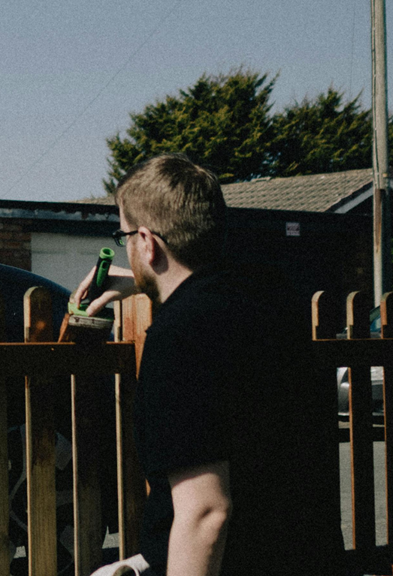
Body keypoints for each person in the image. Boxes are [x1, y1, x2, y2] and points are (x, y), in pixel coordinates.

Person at [73, 154, 342, 576]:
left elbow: (206, 514)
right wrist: (143, 282)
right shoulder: (274, 299)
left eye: (124, 235)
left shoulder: (179, 337)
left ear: (146, 242)